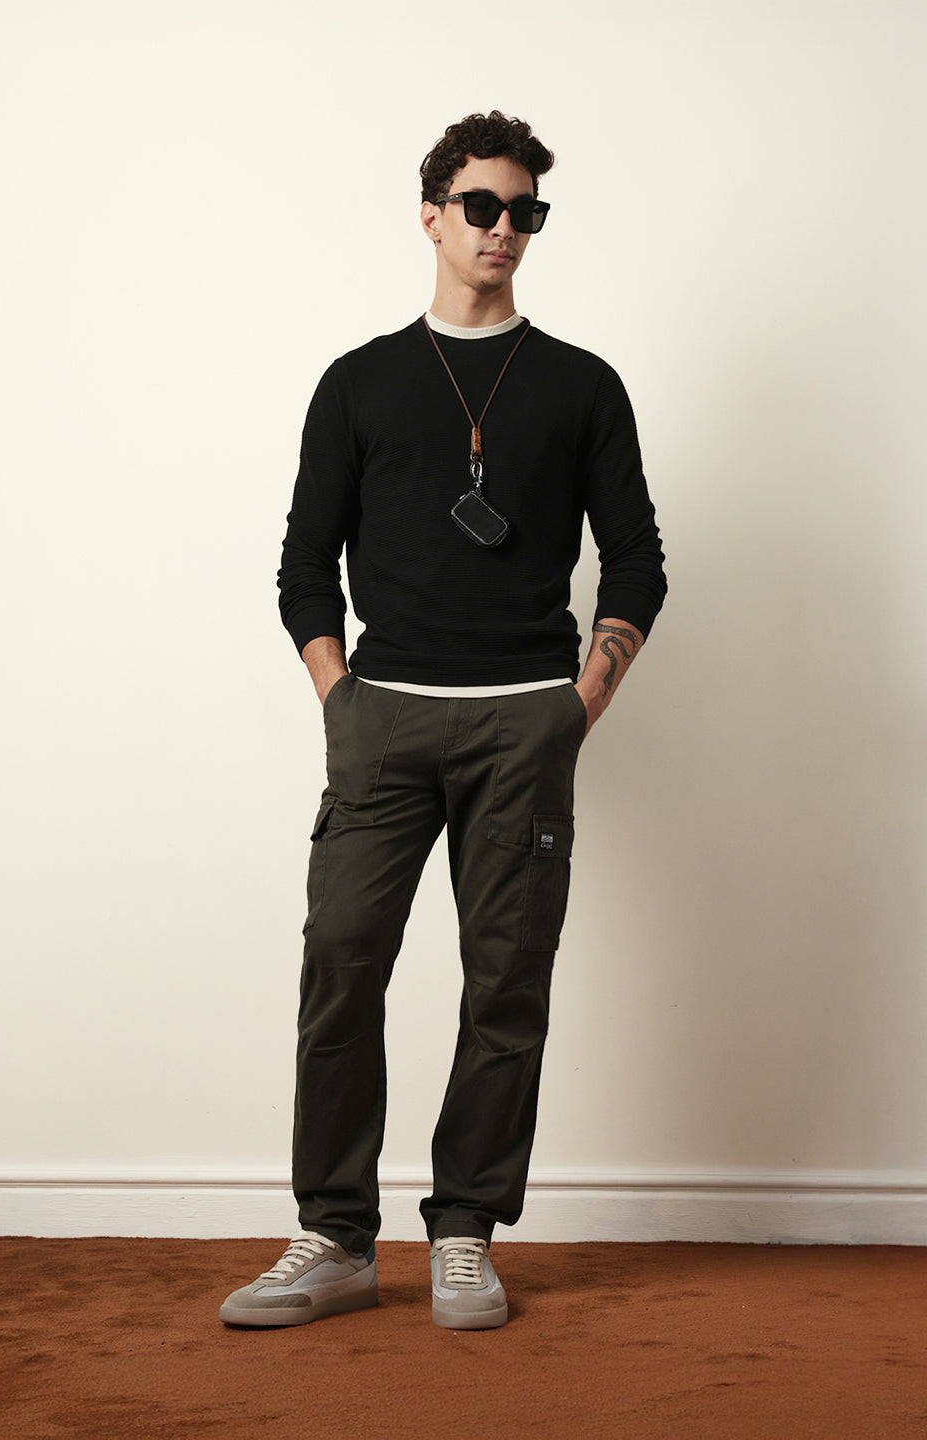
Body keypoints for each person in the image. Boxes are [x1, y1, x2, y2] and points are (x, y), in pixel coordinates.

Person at [219, 110, 666, 1331]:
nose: (503, 228)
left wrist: (577, 706)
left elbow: (636, 561)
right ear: (431, 215)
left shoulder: (581, 386)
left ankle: (465, 1231)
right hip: (385, 722)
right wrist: (340, 698)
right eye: (481, 206)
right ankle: (334, 1238)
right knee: (341, 964)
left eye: (525, 211)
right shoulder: (360, 382)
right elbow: (304, 565)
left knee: (505, 985)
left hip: (526, 724)